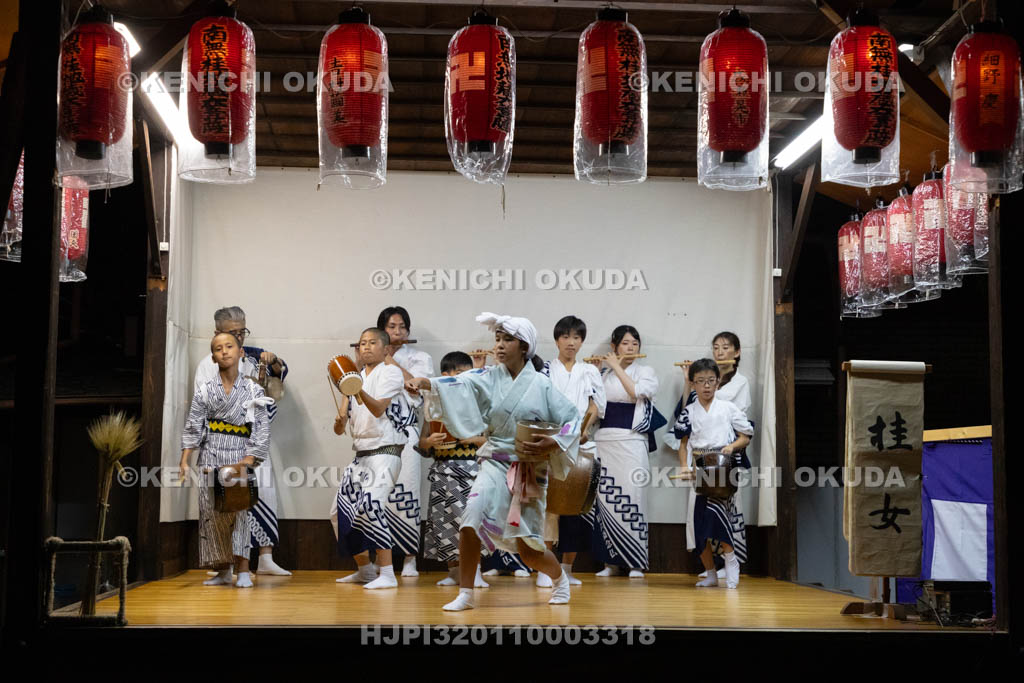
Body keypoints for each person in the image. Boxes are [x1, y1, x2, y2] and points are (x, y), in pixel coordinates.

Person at [405, 312, 581, 611]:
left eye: (507, 339)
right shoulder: (487, 376)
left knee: (529, 549)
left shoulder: (542, 384)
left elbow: (572, 419)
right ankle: (466, 593)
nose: (499, 345)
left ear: (524, 346)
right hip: (494, 461)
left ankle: (559, 579)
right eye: (497, 339)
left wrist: (554, 441)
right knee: (470, 520)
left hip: (528, 468)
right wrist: (425, 383)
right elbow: (456, 383)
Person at [193, 306, 291, 577]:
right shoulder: (207, 365)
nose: (239, 337)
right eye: (232, 332)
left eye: (242, 331)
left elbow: (279, 373)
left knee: (264, 493)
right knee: (225, 502)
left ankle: (266, 558)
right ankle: (225, 567)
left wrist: (273, 361)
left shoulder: (253, 356)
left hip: (254, 441)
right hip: (222, 442)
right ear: (217, 333)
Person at [180, 332, 271, 588]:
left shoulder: (253, 389)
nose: (224, 351)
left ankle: (243, 569)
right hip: (211, 454)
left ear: (240, 352)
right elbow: (194, 425)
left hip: (240, 455)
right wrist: (185, 459)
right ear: (213, 357)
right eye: (218, 348)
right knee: (211, 513)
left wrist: (249, 460)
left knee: (239, 512)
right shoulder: (205, 391)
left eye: (229, 346)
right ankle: (222, 569)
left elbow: (261, 428)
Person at [330, 328, 413, 590]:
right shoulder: (353, 378)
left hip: (386, 451)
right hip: (361, 455)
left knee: (371, 505)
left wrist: (356, 389)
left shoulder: (391, 372)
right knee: (338, 512)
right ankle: (365, 570)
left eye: (372, 342)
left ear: (386, 349)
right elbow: (340, 429)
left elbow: (377, 409)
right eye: (362, 343)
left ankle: (387, 573)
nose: (365, 347)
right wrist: (340, 420)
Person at [664, 331, 751, 577]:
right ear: (694, 384)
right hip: (698, 465)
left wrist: (732, 447)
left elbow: (745, 434)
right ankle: (710, 572)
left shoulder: (729, 405)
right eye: (700, 381)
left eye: (711, 381)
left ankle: (731, 563)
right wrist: (684, 466)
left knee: (721, 518)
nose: (706, 386)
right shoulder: (690, 410)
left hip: (723, 465)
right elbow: (683, 442)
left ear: (717, 382)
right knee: (698, 521)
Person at [540, 315, 606, 587]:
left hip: (582, 442)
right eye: (566, 337)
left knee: (578, 505)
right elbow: (539, 404)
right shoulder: (545, 369)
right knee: (549, 506)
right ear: (557, 340)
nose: (571, 342)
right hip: (552, 442)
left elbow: (595, 405)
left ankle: (567, 568)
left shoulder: (589, 371)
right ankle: (546, 568)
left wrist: (583, 429)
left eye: (577, 337)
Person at [591, 325, 662, 578]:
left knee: (633, 496)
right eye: (625, 343)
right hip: (605, 441)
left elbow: (636, 392)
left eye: (634, 343)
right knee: (606, 498)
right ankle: (609, 562)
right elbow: (594, 406)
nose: (631, 348)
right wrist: (597, 372)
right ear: (614, 346)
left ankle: (635, 562)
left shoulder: (645, 371)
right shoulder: (603, 374)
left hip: (632, 440)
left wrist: (617, 367)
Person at [418, 351, 489, 589]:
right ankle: (453, 571)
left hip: (470, 468)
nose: (461, 380)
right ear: (444, 377)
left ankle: (475, 571)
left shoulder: (478, 404)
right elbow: (422, 443)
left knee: (468, 521)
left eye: (466, 375)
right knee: (443, 520)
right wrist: (429, 442)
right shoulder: (433, 406)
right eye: (457, 374)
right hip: (441, 468)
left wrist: (470, 439)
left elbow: (490, 440)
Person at [378, 306, 434, 578]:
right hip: (378, 432)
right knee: (377, 495)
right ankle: (379, 561)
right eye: (391, 327)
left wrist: (389, 360)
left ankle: (410, 558)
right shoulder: (371, 357)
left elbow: (416, 387)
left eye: (402, 327)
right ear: (382, 331)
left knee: (407, 492)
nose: (397, 332)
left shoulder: (420, 357)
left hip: (407, 430)